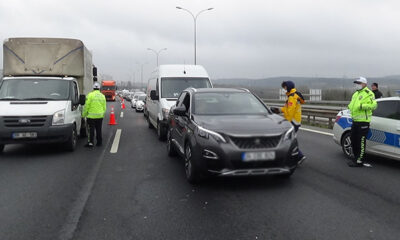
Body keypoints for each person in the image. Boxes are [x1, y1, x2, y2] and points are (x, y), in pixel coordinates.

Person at [347, 77, 377, 167]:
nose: (357, 84)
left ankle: (359, 160)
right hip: (355, 121)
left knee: (361, 141)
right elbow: (352, 104)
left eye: (359, 83)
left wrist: (362, 106)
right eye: (356, 83)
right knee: (353, 139)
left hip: (363, 122)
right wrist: (349, 107)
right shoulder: (355, 94)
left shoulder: (369, 93)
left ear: (364, 84)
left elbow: (374, 105)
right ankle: (355, 158)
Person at [278, 81, 307, 165]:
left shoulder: (292, 97)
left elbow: (290, 111)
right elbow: (287, 109)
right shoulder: (293, 96)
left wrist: (286, 122)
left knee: (288, 140)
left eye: (285, 87)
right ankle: (297, 157)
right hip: (295, 121)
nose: (284, 89)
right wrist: (279, 110)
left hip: (293, 121)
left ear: (289, 87)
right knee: (290, 139)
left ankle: (299, 156)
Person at [83, 82, 107, 147]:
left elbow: (86, 106)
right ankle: (99, 142)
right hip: (99, 116)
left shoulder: (90, 95)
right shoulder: (102, 96)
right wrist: (102, 114)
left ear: (93, 88)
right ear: (99, 88)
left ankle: (91, 142)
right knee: (99, 129)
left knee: (91, 130)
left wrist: (84, 114)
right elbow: (104, 107)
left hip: (91, 117)